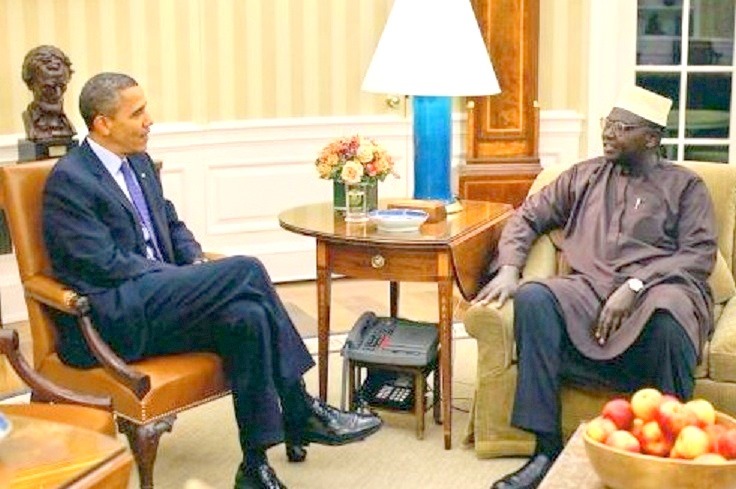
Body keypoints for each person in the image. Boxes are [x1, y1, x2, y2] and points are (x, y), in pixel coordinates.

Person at [42, 72, 382, 489]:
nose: (150, 120)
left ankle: (254, 466)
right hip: (116, 314)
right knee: (247, 269)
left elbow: (171, 224)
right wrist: (181, 279)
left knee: (248, 314)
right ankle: (299, 407)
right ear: (102, 123)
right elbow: (103, 264)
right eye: (138, 112)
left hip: (161, 298)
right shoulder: (70, 180)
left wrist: (194, 261)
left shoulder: (140, 164)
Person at [474, 85, 717, 489]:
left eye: (622, 128)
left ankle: (673, 455)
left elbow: (698, 255)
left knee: (670, 311)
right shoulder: (584, 176)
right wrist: (510, 269)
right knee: (535, 297)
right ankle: (545, 450)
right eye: (608, 124)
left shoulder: (685, 186)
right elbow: (527, 217)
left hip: (657, 289)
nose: (608, 133)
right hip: (586, 291)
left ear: (651, 139)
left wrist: (637, 285)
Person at [21, 45, 77, 141]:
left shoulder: (67, 125)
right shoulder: (30, 121)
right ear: (30, 84)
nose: (58, 94)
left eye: (62, 87)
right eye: (48, 88)